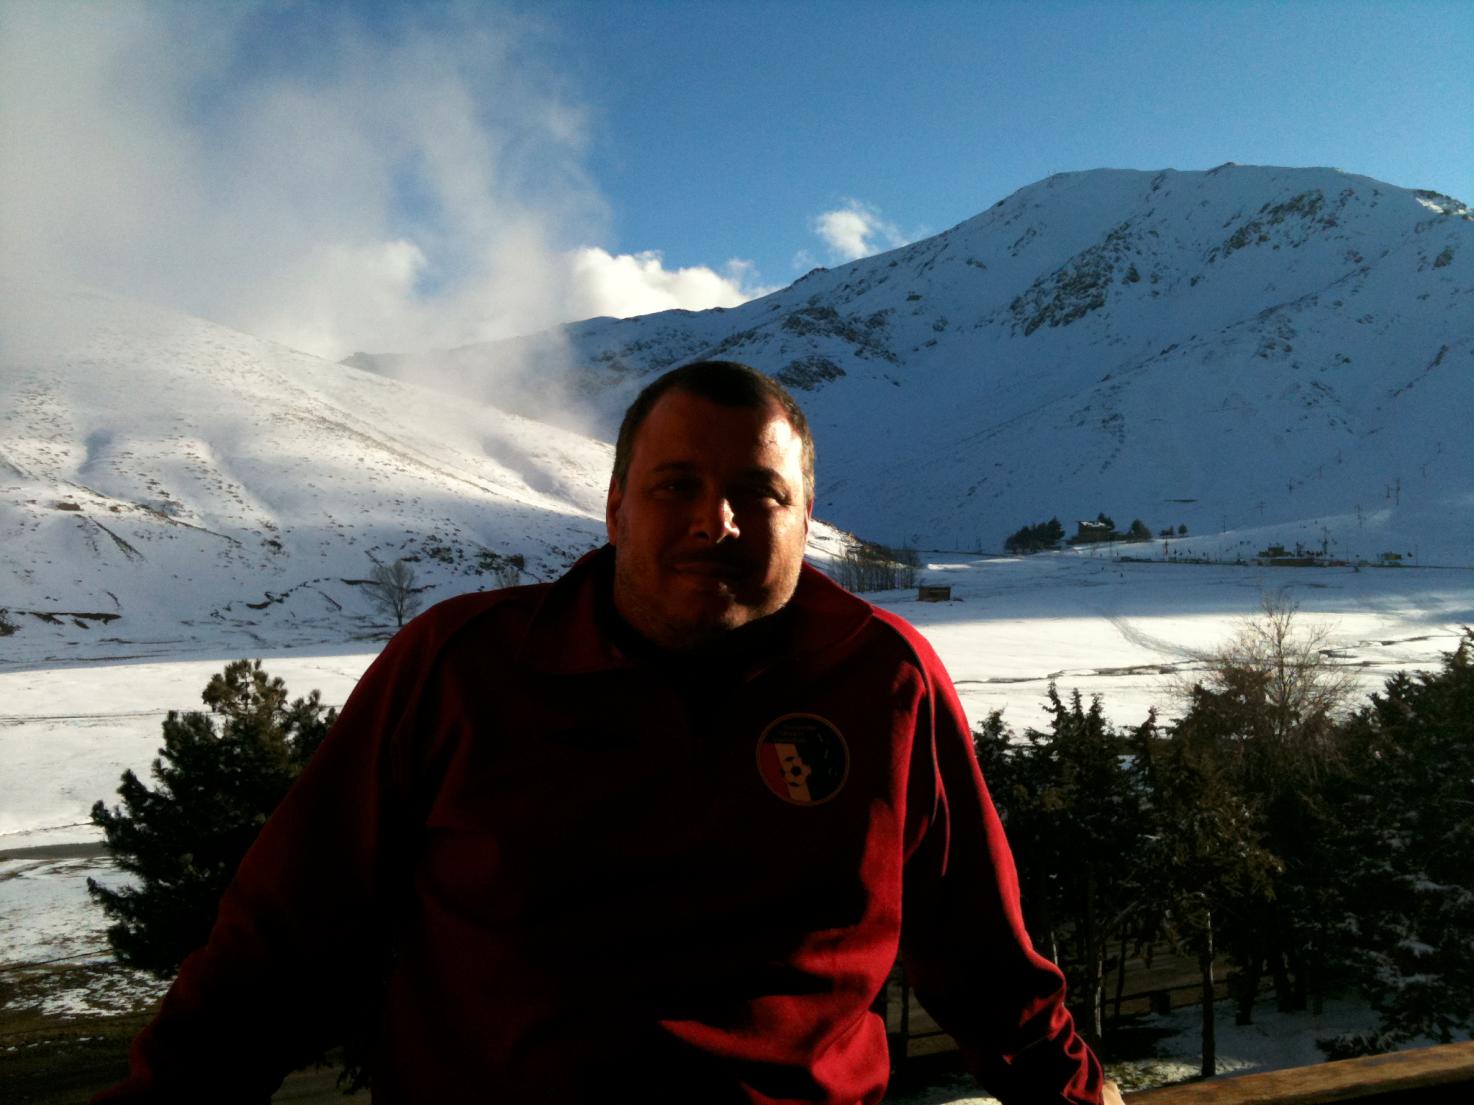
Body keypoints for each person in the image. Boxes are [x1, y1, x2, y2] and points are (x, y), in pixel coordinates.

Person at [98, 361, 1123, 1104]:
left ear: (807, 518)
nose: (715, 521)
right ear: (614, 508)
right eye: (677, 486)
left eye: (758, 492)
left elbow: (984, 959)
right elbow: (279, 943)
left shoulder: (883, 681)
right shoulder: (461, 669)